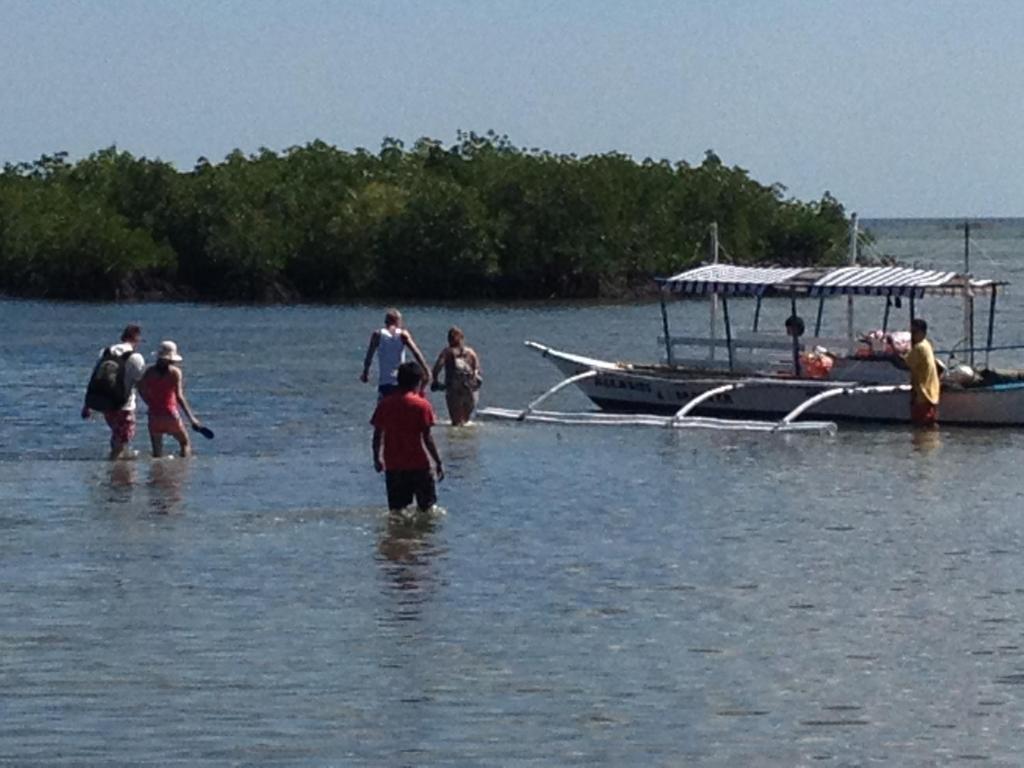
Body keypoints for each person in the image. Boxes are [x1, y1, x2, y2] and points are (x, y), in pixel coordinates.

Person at [371, 362, 444, 513]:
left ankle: (399, 536)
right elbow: (427, 438)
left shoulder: (385, 404)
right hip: (419, 465)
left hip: (393, 465)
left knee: (397, 511)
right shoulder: (422, 405)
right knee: (428, 510)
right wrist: (438, 461)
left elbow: (377, 435)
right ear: (417, 382)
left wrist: (377, 458)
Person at [81, 324, 147, 459]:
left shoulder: (106, 352)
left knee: (117, 436)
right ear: (137, 338)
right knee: (123, 439)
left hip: (107, 403)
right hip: (124, 405)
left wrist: (87, 405)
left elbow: (96, 378)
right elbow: (141, 384)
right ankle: (116, 468)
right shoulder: (136, 357)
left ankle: (115, 469)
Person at [137, 340, 204, 457]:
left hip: (154, 414)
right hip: (170, 413)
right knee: (184, 443)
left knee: (157, 453)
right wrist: (192, 419)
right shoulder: (175, 373)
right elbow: (179, 396)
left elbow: (140, 388)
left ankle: (157, 472)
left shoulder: (149, 372)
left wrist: (148, 402)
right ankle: (183, 467)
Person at [360, 309, 431, 399]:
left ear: (386, 321)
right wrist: (426, 370)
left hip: (385, 382)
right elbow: (416, 353)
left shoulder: (377, 334)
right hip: (401, 382)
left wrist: (365, 373)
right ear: (398, 321)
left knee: (384, 411)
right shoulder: (403, 335)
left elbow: (368, 357)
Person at [431, 326, 482, 425]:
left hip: (453, 389)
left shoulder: (447, 352)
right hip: (469, 388)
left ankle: (454, 440)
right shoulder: (471, 352)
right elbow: (477, 370)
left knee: (455, 422)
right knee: (466, 422)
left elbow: (437, 368)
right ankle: (465, 440)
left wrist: (435, 381)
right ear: (462, 338)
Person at [902, 318, 941, 426]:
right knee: (929, 423)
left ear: (922, 333)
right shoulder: (926, 344)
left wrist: (892, 357)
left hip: (922, 393)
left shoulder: (919, 348)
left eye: (914, 332)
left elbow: (905, 364)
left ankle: (924, 441)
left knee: (921, 424)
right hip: (930, 391)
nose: (912, 335)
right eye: (911, 332)